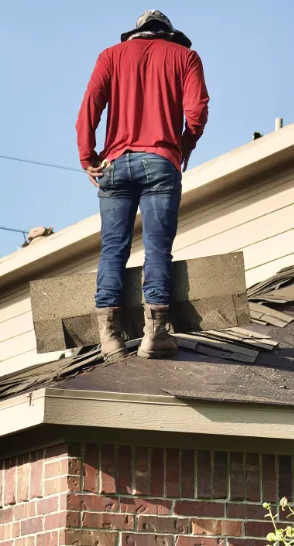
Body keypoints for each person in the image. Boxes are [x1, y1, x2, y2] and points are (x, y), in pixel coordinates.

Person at [76, 10, 209, 361]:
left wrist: (87, 157)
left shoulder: (110, 56)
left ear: (135, 33)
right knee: (157, 248)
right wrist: (182, 147)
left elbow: (90, 106)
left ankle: (109, 338)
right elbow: (197, 112)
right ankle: (155, 334)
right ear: (169, 33)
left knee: (112, 248)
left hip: (114, 164)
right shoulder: (185, 57)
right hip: (161, 161)